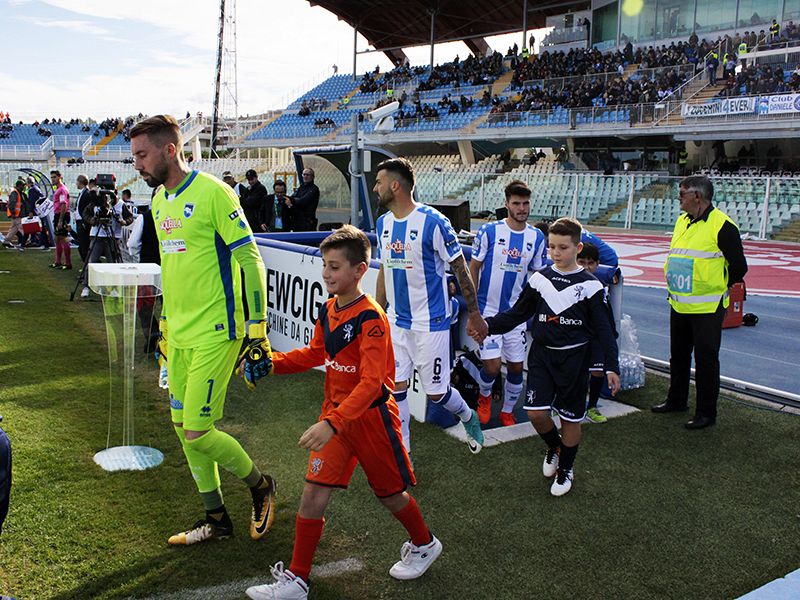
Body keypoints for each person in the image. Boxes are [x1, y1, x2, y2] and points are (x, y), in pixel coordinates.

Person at [244, 226, 442, 600]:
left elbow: (371, 384)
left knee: (390, 495)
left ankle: (425, 543)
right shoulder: (329, 308)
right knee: (312, 494)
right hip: (336, 418)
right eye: (325, 266)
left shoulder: (371, 318)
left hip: (371, 422)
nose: (326, 274)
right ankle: (298, 580)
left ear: (359, 270)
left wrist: (331, 424)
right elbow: (316, 353)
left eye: (334, 267)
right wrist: (273, 363)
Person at [130, 114, 276, 545]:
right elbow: (175, 269)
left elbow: (250, 261)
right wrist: (163, 330)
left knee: (198, 429)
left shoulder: (215, 193)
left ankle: (260, 486)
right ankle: (217, 520)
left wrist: (257, 330)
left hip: (218, 330)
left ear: (169, 149)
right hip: (179, 335)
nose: (136, 164)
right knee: (182, 427)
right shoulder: (159, 202)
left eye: (142, 154)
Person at [469, 218, 620, 496]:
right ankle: (555, 447)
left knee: (570, 419)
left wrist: (612, 365)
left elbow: (605, 331)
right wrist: (488, 326)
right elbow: (517, 314)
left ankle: (566, 469)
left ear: (578, 247)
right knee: (536, 413)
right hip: (541, 357)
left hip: (575, 361)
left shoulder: (591, 286)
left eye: (563, 247)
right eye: (551, 246)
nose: (556, 252)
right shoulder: (539, 279)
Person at [373, 158, 484, 454]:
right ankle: (404, 457)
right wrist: (377, 314)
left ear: (395, 186)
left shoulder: (434, 222)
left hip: (431, 323)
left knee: (437, 394)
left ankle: (467, 415)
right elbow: (385, 270)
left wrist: (474, 314)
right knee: (395, 389)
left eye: (379, 182)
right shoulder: (383, 223)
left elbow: (460, 269)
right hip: (397, 323)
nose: (375, 187)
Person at [653, 176, 747, 429]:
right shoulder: (682, 221)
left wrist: (715, 286)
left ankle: (706, 413)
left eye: (682, 193)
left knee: (706, 360)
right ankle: (676, 399)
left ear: (698, 196)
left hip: (707, 307)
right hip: (680, 303)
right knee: (679, 356)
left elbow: (739, 267)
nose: (679, 197)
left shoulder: (723, 226)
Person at [468, 180, 546, 426]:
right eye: (516, 203)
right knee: (491, 367)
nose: (522, 208)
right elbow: (474, 267)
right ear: (506, 204)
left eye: (525, 203)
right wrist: (473, 309)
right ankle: (484, 398)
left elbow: (537, 275)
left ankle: (508, 411)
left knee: (515, 366)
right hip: (488, 312)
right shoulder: (490, 231)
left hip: (516, 315)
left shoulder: (536, 236)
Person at [576, 242, 617, 424]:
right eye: (582, 261)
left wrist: (611, 332)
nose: (586, 267)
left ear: (597, 264)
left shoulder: (599, 286)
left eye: (590, 263)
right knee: (574, 372)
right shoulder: (570, 284)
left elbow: (606, 313)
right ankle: (562, 403)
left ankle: (592, 406)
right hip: (577, 337)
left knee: (598, 372)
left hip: (596, 338)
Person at [79, 187, 135, 298]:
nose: (107, 200)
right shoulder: (97, 202)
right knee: (91, 262)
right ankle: (86, 286)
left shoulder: (121, 205)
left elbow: (130, 218)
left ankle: (114, 288)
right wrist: (92, 220)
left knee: (113, 263)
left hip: (113, 237)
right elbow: (85, 213)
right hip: (97, 235)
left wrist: (123, 221)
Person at [50, 170, 72, 269]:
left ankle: (68, 263)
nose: (52, 179)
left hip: (62, 215)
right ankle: (58, 261)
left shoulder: (62, 189)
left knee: (63, 239)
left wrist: (60, 220)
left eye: (54, 177)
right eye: (52, 177)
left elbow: (64, 204)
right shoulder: (58, 189)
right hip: (58, 214)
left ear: (59, 177)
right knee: (58, 238)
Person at [74, 174, 92, 263]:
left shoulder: (87, 193)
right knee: (82, 245)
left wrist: (85, 222)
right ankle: (86, 265)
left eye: (77, 181)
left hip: (83, 222)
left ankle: (87, 266)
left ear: (80, 182)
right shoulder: (82, 192)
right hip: (80, 221)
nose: (76, 183)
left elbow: (86, 209)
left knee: (84, 245)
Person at [3, 180, 25, 251]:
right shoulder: (15, 192)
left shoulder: (17, 192)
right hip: (16, 215)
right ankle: (27, 241)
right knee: (22, 228)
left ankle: (6, 241)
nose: (23, 187)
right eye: (22, 185)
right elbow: (11, 204)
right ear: (19, 185)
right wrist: (13, 213)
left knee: (14, 229)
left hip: (16, 214)